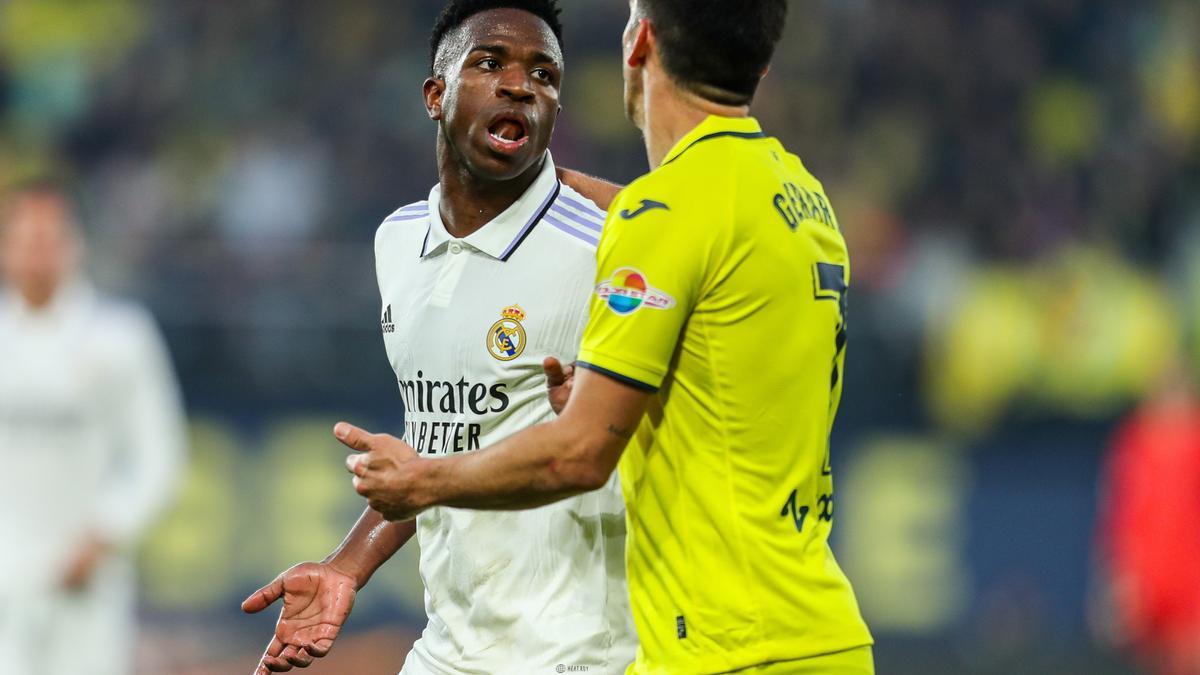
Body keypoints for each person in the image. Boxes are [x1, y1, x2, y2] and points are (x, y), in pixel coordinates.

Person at [334, 0, 876, 673]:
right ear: (761, 61)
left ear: (637, 39)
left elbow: (578, 455)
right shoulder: (797, 192)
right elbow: (730, 384)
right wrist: (615, 398)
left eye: (541, 72)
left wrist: (425, 481)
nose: (520, 85)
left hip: (726, 644)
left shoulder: (662, 213)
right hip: (816, 627)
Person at [243, 2, 634, 673]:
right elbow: (441, 441)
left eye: (543, 75)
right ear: (434, 95)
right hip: (448, 647)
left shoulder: (611, 244)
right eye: (490, 63)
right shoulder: (396, 239)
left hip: (579, 651)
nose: (520, 85)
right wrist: (347, 566)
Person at [0, 178, 188, 675]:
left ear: (73, 244)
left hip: (88, 583)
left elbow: (159, 455)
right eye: (24, 239)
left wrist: (105, 531)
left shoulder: (120, 337)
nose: (37, 253)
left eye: (48, 239)